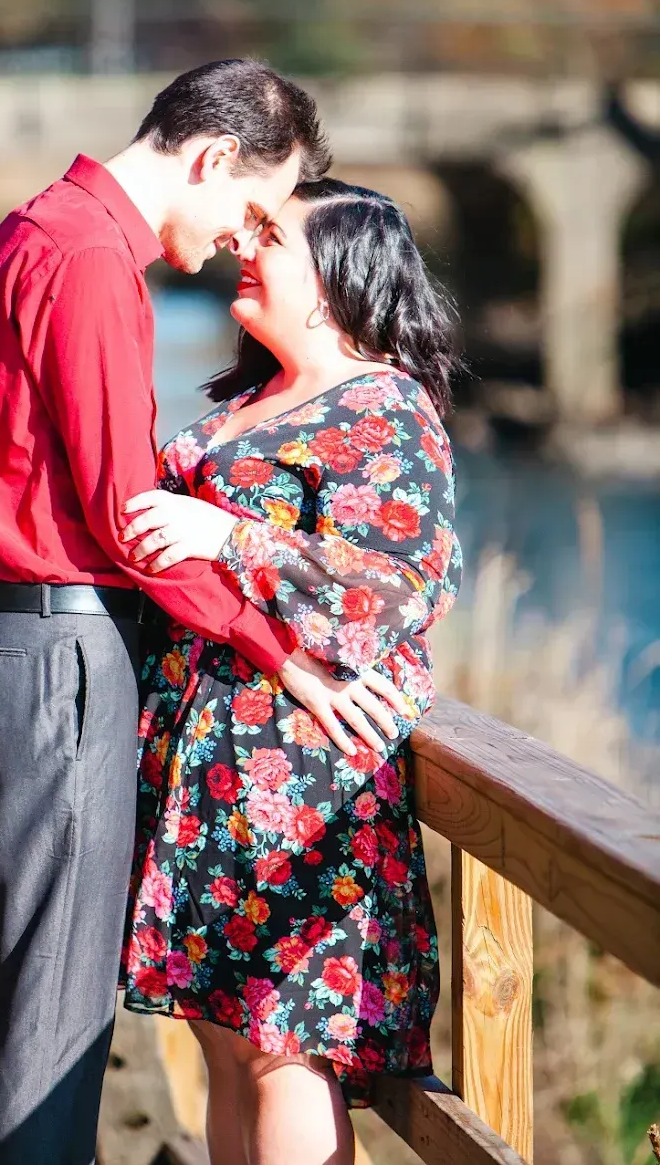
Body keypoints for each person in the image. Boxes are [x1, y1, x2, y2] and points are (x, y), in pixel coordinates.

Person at [0, 59, 334, 1165]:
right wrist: (276, 646)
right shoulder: (93, 257)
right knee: (52, 999)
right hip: (51, 648)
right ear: (206, 158)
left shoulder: (32, 227)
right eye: (248, 209)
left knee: (13, 979)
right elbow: (124, 512)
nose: (244, 240)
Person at [119, 179, 463, 1165]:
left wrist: (227, 533)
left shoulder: (380, 406)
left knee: (281, 1052)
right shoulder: (248, 397)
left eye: (269, 234)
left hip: (297, 785)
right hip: (194, 770)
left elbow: (401, 582)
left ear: (333, 277)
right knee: (223, 1045)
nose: (242, 243)